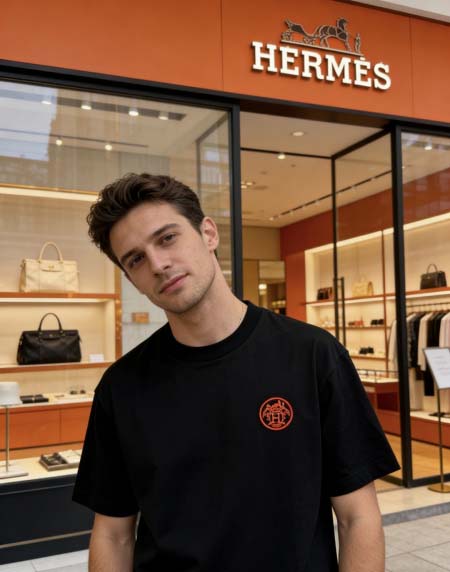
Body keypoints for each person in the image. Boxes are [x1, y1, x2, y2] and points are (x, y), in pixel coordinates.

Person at [73, 172, 399, 572]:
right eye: (136, 259)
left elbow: (357, 517)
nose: (158, 264)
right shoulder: (121, 387)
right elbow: (112, 534)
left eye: (167, 238)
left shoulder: (312, 355)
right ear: (131, 279)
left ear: (208, 233)